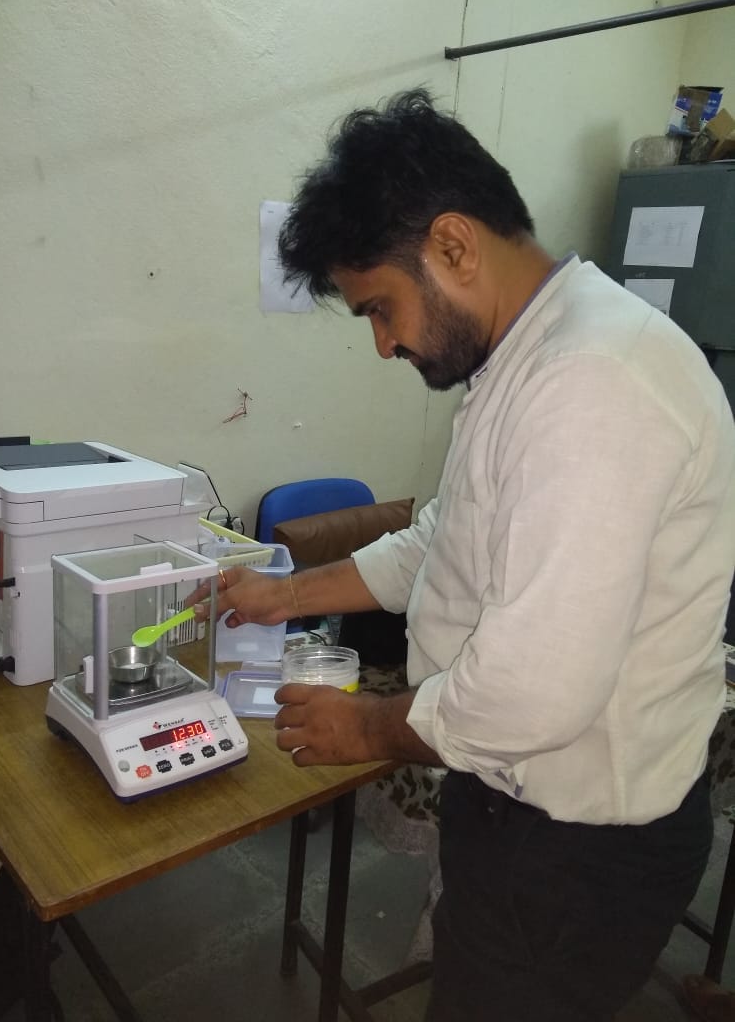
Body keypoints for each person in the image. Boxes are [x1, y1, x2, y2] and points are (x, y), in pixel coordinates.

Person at [195, 89, 735, 1021]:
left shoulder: (592, 386)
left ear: (453, 246)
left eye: (380, 308)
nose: (383, 343)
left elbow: (533, 694)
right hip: (518, 807)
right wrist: (284, 596)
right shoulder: (531, 360)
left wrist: (361, 728)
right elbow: (444, 541)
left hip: (575, 852)